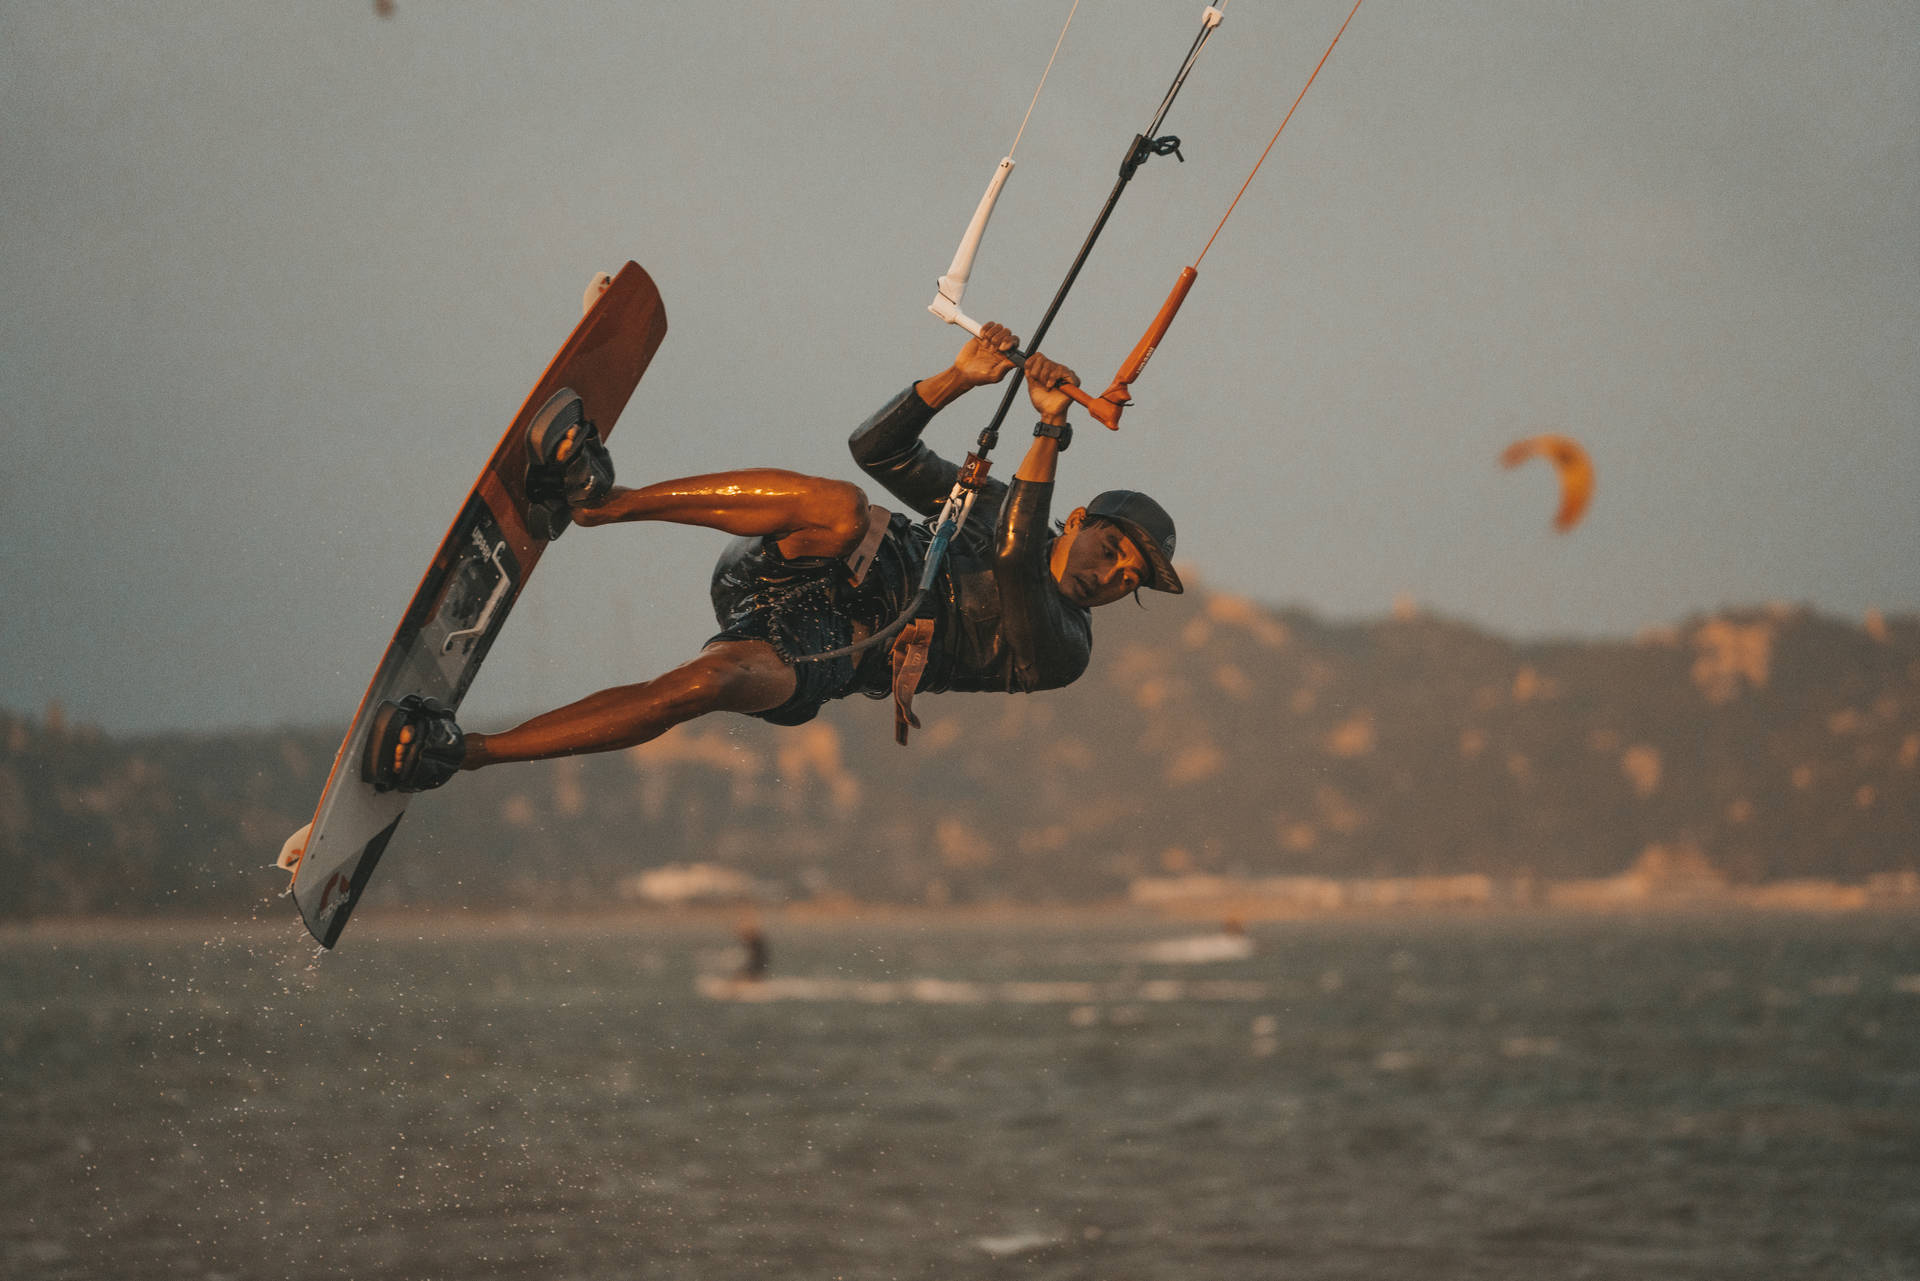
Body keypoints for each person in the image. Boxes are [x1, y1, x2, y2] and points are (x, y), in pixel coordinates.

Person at [365, 322, 1182, 792]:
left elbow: (1010, 564)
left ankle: (462, 751)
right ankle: (596, 502)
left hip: (834, 647)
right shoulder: (1007, 508)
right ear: (1077, 518)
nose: (1112, 576)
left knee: (705, 685)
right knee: (840, 504)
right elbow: (878, 449)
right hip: (795, 564)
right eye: (1114, 549)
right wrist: (956, 379)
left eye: (1129, 580)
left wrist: (1048, 427)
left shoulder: (1066, 648)